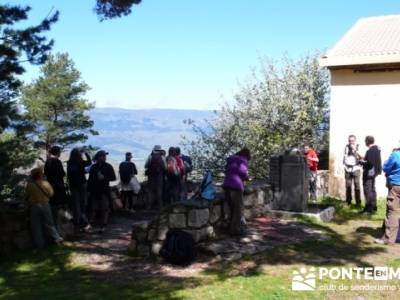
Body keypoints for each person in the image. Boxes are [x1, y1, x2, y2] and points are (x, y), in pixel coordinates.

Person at [25, 168, 63, 248]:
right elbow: (51, 194)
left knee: (36, 226)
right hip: (45, 205)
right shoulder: (45, 183)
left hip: (34, 206)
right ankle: (57, 239)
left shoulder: (29, 185)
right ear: (40, 174)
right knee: (49, 224)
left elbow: (26, 196)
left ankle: (40, 245)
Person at [375, 143, 400, 245]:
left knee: (392, 211)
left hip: (396, 185)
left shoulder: (396, 155)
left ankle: (389, 238)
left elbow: (385, 167)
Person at [223, 148, 251, 236]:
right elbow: (242, 172)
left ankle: (229, 227)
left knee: (231, 208)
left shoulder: (231, 159)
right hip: (236, 186)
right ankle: (235, 230)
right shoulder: (243, 160)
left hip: (226, 185)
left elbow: (226, 170)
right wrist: (247, 177)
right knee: (238, 210)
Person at [87, 150, 116, 233]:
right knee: (94, 208)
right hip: (95, 191)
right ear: (98, 157)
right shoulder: (94, 167)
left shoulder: (108, 166)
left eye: (105, 156)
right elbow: (90, 179)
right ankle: (91, 224)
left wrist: (104, 178)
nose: (104, 157)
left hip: (104, 191)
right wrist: (89, 190)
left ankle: (104, 224)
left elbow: (113, 178)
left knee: (105, 208)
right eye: (103, 156)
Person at [67, 148, 92, 233]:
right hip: (82, 184)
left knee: (76, 204)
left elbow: (71, 174)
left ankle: (77, 223)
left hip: (73, 185)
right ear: (79, 154)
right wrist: (86, 153)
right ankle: (84, 222)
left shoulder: (69, 163)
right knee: (83, 203)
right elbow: (89, 162)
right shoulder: (81, 162)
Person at [44, 145, 67, 229]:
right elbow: (62, 174)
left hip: (50, 186)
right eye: (60, 151)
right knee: (60, 207)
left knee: (52, 206)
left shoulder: (48, 162)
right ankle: (59, 228)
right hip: (59, 187)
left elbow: (45, 173)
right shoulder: (57, 162)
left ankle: (53, 227)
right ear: (58, 152)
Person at [360, 136, 382, 213]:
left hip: (369, 174)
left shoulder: (371, 150)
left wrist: (361, 162)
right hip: (374, 173)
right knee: (372, 189)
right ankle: (374, 207)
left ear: (367, 142)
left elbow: (370, 163)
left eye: (365, 141)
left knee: (368, 190)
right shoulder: (377, 149)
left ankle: (368, 209)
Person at [144, 145, 166, 209]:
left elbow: (145, 165)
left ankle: (148, 206)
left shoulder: (150, 156)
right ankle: (160, 206)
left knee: (150, 191)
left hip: (151, 176)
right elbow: (165, 167)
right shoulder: (162, 156)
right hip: (159, 176)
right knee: (159, 190)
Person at [343, 135, 362, 207]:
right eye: (349, 140)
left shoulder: (358, 146)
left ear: (355, 140)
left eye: (352, 140)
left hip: (356, 169)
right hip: (347, 169)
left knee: (357, 186)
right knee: (348, 186)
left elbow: (362, 157)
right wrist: (344, 166)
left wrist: (355, 150)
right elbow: (345, 156)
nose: (351, 142)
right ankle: (348, 201)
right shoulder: (346, 147)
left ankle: (358, 203)